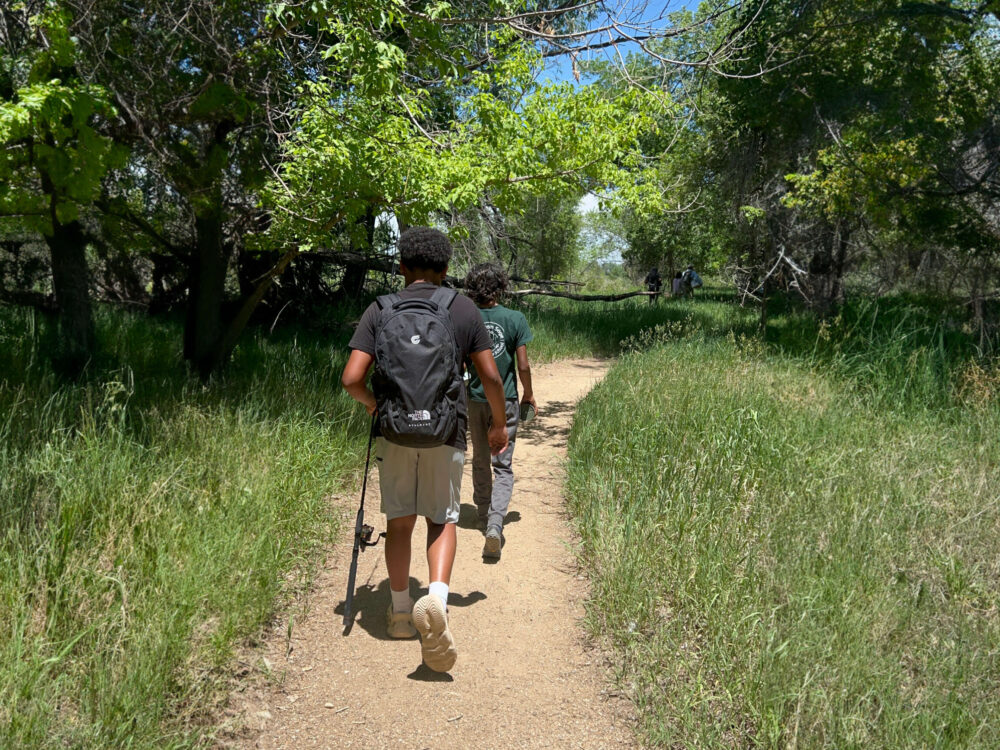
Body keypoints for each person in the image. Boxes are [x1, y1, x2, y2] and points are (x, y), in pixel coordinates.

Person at [341, 227, 508, 673]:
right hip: (444, 431)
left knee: (399, 523)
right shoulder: (462, 308)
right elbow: (491, 378)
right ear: (446, 269)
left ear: (400, 267)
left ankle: (399, 613)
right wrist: (498, 424)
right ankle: (435, 599)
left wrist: (376, 406)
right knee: (443, 518)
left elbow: (351, 378)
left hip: (395, 432)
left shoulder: (380, 310)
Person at [463, 262, 536, 560]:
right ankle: (495, 523)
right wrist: (528, 393)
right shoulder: (515, 318)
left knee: (480, 458)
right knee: (502, 464)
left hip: (476, 400)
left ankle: (482, 514)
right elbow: (523, 365)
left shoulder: (466, 319)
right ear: (501, 287)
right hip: (504, 401)